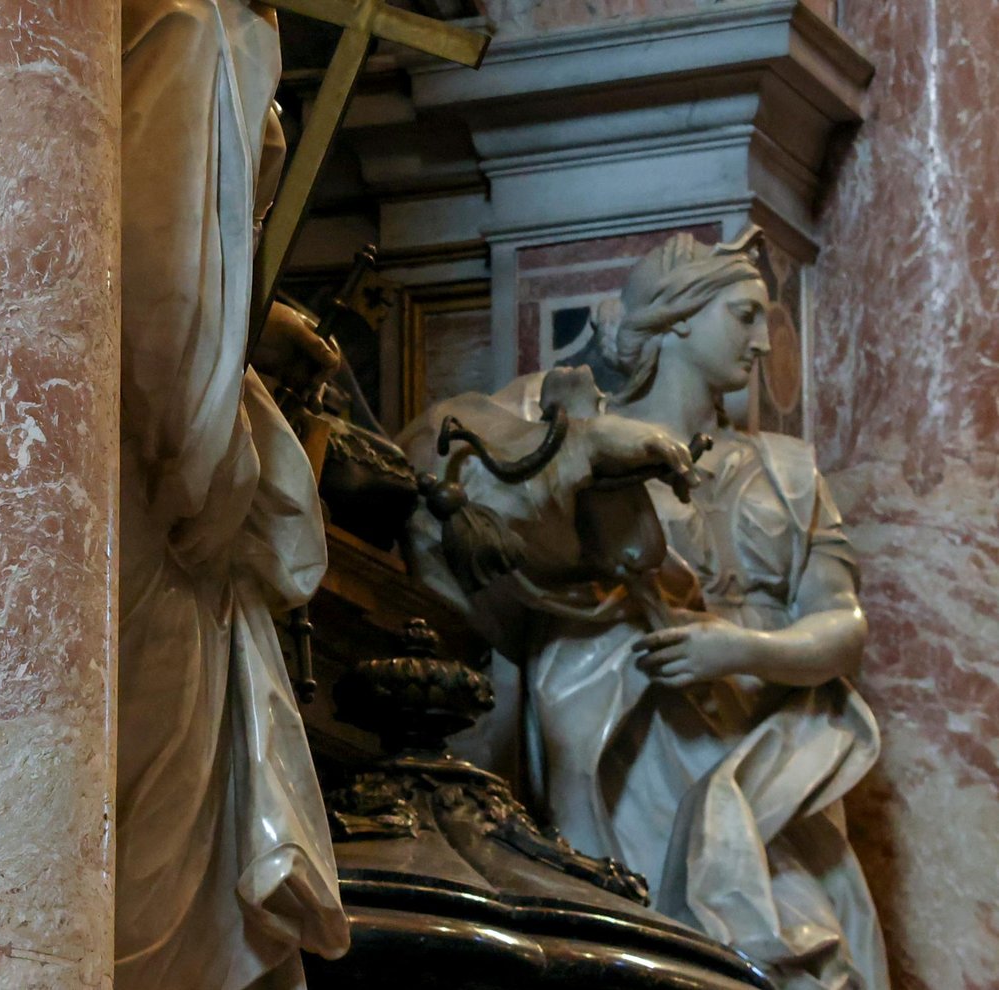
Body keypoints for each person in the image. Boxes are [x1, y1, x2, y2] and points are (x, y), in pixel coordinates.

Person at [401, 229, 888, 990]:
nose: (764, 341)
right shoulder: (574, 435)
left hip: (763, 754)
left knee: (799, 949)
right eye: (744, 315)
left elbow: (844, 628)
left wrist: (738, 649)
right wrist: (579, 450)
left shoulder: (789, 472)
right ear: (680, 318)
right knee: (638, 948)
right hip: (623, 740)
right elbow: (429, 460)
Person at [119, 1, 348, 987]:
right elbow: (160, 302)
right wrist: (221, 480)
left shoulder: (220, 23)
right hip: (147, 502)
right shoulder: (187, 22)